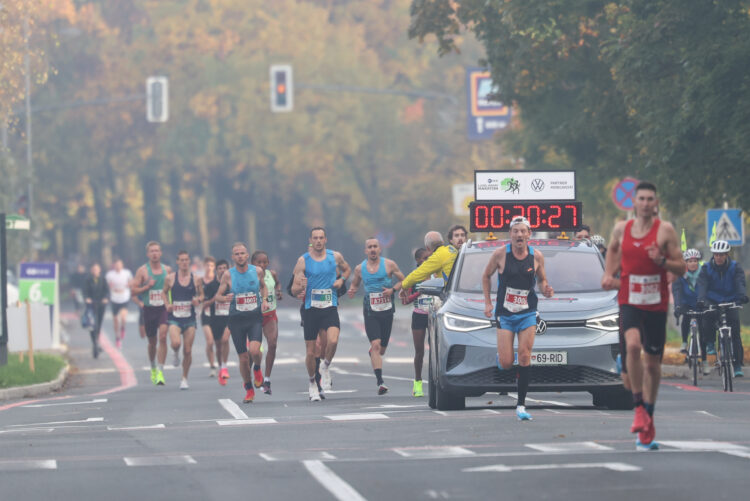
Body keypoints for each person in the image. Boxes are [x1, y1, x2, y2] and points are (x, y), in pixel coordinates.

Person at [602, 181, 685, 451]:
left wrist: (662, 262)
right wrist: (609, 273)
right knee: (633, 345)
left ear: (655, 203)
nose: (646, 203)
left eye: (651, 199)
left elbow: (682, 267)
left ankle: (648, 414)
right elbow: (613, 248)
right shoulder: (621, 229)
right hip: (630, 300)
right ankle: (639, 407)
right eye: (642, 199)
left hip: (656, 305)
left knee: (651, 366)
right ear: (634, 202)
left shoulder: (665, 231)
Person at [482, 216, 554, 421]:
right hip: (505, 313)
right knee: (506, 363)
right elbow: (485, 276)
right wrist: (487, 302)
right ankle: (502, 358)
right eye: (515, 231)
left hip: (527, 313)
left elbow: (542, 280)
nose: (519, 235)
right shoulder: (500, 255)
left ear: (529, 234)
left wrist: (546, 290)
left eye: (523, 231)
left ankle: (521, 404)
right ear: (510, 234)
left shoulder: (536, 256)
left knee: (524, 355)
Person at [291, 227, 351, 401]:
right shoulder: (303, 261)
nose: (318, 241)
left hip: (329, 306)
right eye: (315, 238)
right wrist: (300, 287)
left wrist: (341, 280)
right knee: (311, 352)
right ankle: (312, 384)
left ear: (325, 240)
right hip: (311, 310)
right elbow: (293, 288)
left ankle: (325, 366)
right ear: (311, 240)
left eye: (321, 238)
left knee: (332, 340)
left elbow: (346, 270)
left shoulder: (335, 257)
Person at [348, 238, 405, 395]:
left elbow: (404, 280)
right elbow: (355, 283)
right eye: (369, 247)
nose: (373, 249)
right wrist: (352, 290)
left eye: (375, 246)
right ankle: (380, 382)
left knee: (382, 349)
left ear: (380, 249)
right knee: (376, 345)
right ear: (366, 251)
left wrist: (392, 290)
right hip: (370, 310)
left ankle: (374, 352)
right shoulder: (360, 268)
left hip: (387, 310)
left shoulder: (389, 264)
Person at [215, 243, 270, 403]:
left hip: (254, 318)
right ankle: (249, 388)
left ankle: (258, 369)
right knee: (244, 358)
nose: (240, 256)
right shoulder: (227, 275)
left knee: (254, 351)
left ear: (247, 255)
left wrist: (265, 300)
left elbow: (263, 287)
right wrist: (224, 298)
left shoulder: (257, 271)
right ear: (233, 257)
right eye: (236, 254)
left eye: (242, 253)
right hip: (236, 320)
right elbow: (217, 295)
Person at [697, 240, 748, 377]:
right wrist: (701, 300)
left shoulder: (735, 267)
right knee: (708, 316)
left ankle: (737, 366)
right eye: (716, 254)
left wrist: (742, 296)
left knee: (736, 334)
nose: (718, 257)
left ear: (727, 255)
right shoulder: (706, 268)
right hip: (712, 300)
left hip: (731, 300)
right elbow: (702, 285)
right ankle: (710, 343)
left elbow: (740, 282)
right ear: (713, 254)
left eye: (722, 255)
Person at [131, 241, 172, 386]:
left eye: (157, 251)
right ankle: (153, 366)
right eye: (152, 251)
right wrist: (146, 287)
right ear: (148, 254)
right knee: (152, 342)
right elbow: (133, 291)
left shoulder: (167, 270)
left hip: (162, 308)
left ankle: (160, 371)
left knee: (163, 336)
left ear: (160, 253)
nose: (154, 253)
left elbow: (173, 287)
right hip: (149, 309)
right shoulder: (142, 271)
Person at [164, 251, 204, 390]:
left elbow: (202, 295)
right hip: (174, 317)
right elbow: (163, 292)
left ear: (189, 261)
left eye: (186, 260)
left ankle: (184, 378)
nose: (184, 262)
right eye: (181, 260)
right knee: (175, 343)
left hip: (190, 318)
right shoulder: (170, 278)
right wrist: (167, 304)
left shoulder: (196, 279)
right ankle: (175, 353)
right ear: (177, 262)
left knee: (187, 350)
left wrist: (198, 300)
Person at [401, 247, 433, 396]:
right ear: (418, 261)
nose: (428, 261)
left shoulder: (437, 275)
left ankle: (435, 381)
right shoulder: (414, 277)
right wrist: (419, 292)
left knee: (436, 351)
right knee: (419, 351)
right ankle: (418, 382)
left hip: (434, 316)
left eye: (430, 258)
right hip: (419, 314)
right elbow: (405, 300)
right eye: (425, 259)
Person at [672, 249, 710, 375]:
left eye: (695, 261)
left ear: (698, 262)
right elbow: (677, 291)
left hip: (700, 304)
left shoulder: (703, 274)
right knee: (685, 319)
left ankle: (704, 361)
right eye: (690, 261)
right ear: (686, 263)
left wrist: (704, 302)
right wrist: (677, 306)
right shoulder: (680, 275)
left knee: (703, 332)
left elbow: (705, 289)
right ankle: (684, 342)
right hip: (686, 303)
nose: (693, 263)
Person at [251, 250, 283, 395]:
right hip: (254, 317)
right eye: (259, 262)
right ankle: (254, 372)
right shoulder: (250, 276)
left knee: (273, 344)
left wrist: (278, 291)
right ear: (253, 264)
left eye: (265, 262)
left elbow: (277, 285)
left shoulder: (272, 274)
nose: (263, 265)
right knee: (253, 352)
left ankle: (267, 380)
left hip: (270, 315)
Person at [398, 231, 458, 302]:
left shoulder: (437, 256)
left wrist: (404, 286)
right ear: (442, 242)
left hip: (450, 297)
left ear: (428, 248)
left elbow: (418, 273)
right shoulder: (452, 249)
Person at [204, 259, 232, 385]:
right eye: (220, 268)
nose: (222, 270)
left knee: (225, 340)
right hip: (216, 319)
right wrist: (215, 299)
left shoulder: (233, 284)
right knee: (218, 345)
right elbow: (204, 304)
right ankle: (221, 367)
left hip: (230, 318)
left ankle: (224, 366)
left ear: (228, 269)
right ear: (216, 270)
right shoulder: (210, 286)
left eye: (224, 268)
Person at [105, 259, 133, 349]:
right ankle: (117, 337)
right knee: (116, 319)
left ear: (122, 265)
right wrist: (109, 286)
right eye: (116, 265)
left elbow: (132, 282)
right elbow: (106, 285)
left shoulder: (127, 273)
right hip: (114, 298)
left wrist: (129, 285)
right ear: (114, 266)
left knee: (123, 317)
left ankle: (123, 327)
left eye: (120, 265)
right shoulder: (109, 275)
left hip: (124, 296)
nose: (118, 266)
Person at [84, 263, 109, 359]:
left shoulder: (103, 280)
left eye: (96, 269)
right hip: (91, 305)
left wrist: (106, 298)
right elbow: (85, 292)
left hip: (101, 305)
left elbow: (107, 291)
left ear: (99, 270)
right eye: (93, 269)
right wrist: (87, 298)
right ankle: (94, 342)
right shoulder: (87, 280)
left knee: (99, 324)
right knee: (92, 325)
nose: (95, 271)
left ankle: (96, 341)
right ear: (91, 270)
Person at [199, 256, 217, 377]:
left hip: (218, 314)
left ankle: (221, 363)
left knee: (219, 342)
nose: (209, 268)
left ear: (214, 267)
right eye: (207, 265)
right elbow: (195, 296)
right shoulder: (199, 281)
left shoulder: (218, 280)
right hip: (205, 314)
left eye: (211, 265)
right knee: (210, 341)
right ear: (203, 266)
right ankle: (212, 366)